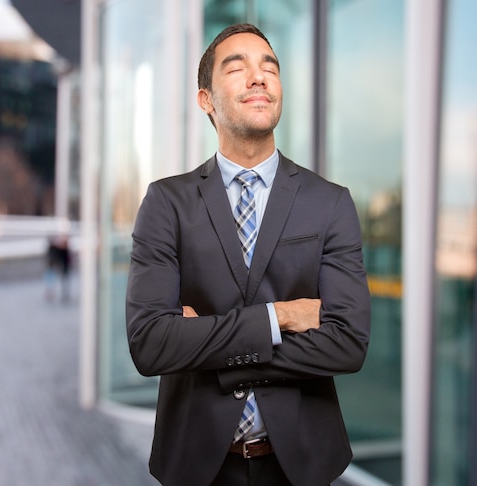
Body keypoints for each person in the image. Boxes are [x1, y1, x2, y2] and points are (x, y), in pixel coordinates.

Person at [125, 23, 371, 486]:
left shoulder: (330, 202)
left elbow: (348, 343)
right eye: (237, 68)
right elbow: (151, 343)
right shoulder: (167, 203)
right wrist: (279, 318)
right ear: (206, 100)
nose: (259, 77)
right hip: (197, 464)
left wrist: (203, 342)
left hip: (302, 463)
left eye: (270, 68)